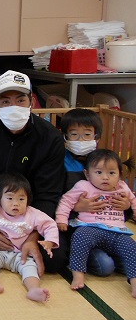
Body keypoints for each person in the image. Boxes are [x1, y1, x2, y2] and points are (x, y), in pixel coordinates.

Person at [0, 70, 67, 274]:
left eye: (20, 100)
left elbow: (49, 192)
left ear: (31, 101)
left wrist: (32, 235)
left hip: (33, 213)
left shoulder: (50, 137)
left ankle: (21, 247)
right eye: (6, 101)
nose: (14, 106)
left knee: (55, 261)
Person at [56, 149, 136, 296]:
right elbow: (66, 201)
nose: (105, 177)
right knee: (80, 237)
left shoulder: (123, 187)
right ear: (87, 174)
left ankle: (135, 282)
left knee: (132, 247)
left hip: (117, 231)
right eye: (99, 172)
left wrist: (131, 209)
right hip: (90, 228)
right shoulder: (83, 185)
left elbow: (133, 201)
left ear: (120, 175)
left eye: (111, 173)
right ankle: (78, 275)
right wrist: (61, 219)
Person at [61, 108, 130, 276]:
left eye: (87, 134)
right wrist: (77, 207)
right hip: (79, 230)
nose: (81, 140)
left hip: (111, 228)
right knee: (105, 266)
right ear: (65, 136)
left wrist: (126, 206)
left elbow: (124, 193)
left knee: (129, 259)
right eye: (74, 134)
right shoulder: (60, 162)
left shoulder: (106, 160)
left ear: (96, 136)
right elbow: (56, 200)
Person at [0, 173, 58, 303]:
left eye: (21, 199)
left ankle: (33, 289)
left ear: (28, 199)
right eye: (10, 198)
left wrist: (49, 241)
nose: (15, 204)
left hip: (21, 254)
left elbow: (50, 224)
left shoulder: (33, 214)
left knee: (30, 267)